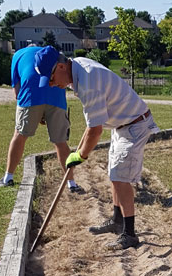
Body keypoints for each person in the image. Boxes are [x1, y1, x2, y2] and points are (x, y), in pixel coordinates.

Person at [34, 46, 159, 251]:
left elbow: (95, 130)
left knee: (120, 178)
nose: (52, 84)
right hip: (122, 125)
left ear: (61, 66)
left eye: (51, 78)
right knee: (114, 175)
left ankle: (129, 234)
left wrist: (81, 156)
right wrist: (77, 152)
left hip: (135, 125)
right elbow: (92, 123)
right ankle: (117, 220)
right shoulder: (78, 68)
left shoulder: (88, 82)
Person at [0, 43, 80, 191]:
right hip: (56, 94)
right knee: (61, 141)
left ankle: (8, 177)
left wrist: (35, 111)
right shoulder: (48, 56)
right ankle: (71, 183)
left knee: (20, 134)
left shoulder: (17, 55)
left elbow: (17, 92)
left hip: (30, 94)